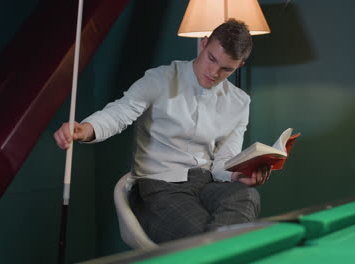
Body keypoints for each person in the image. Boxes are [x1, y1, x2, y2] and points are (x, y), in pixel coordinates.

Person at [53, 18, 271, 244]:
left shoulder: (239, 102)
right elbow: (120, 112)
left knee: (247, 195)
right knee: (207, 238)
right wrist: (85, 129)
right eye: (211, 59)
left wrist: (237, 174)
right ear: (203, 44)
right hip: (157, 188)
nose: (214, 72)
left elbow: (224, 160)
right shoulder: (159, 79)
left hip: (206, 184)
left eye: (226, 68)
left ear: (240, 65)